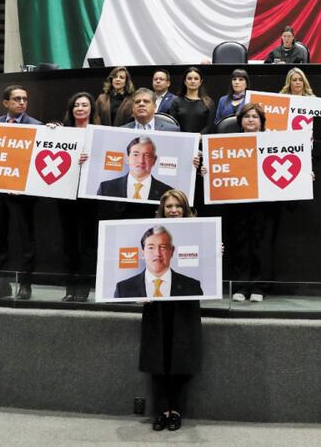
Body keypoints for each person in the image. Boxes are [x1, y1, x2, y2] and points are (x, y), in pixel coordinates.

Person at [130, 192, 206, 432]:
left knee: (181, 358)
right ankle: (162, 411)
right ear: (162, 210)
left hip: (185, 306)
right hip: (157, 305)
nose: (174, 210)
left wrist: (216, 253)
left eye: (178, 206)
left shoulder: (201, 232)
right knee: (158, 358)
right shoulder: (151, 233)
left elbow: (206, 268)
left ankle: (176, 411)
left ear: (185, 209)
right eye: (169, 206)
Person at [0, 85, 42, 300]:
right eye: (17, 99)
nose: (22, 102)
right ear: (6, 103)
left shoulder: (36, 126)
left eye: (24, 99)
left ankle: (25, 285)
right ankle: (1, 285)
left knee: (25, 241)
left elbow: (37, 162)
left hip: (21, 194)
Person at [211, 103, 278, 302]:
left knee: (261, 246)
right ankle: (240, 286)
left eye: (255, 117)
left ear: (262, 122)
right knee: (240, 245)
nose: (250, 120)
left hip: (264, 204)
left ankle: (259, 287)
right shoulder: (229, 143)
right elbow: (219, 167)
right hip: (237, 201)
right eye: (247, 116)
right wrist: (208, 170)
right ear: (240, 121)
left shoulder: (272, 142)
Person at [56, 91, 99, 302]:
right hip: (66, 194)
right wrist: (51, 131)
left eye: (84, 105)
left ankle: (83, 287)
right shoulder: (62, 132)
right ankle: (70, 287)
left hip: (90, 195)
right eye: (76, 105)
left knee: (88, 243)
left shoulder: (100, 133)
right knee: (69, 242)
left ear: (91, 109)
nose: (80, 108)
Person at [113, 225, 204, 299]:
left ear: (172, 251)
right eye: (151, 248)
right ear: (143, 253)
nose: (157, 253)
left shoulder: (192, 287)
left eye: (163, 247)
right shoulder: (123, 289)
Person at [98, 136, 174, 201]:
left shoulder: (168, 192)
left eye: (146, 156)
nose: (141, 161)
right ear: (127, 159)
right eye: (136, 154)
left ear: (154, 160)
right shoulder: (105, 188)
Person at [169, 67, 215, 134]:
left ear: (200, 82)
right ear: (185, 81)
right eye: (189, 78)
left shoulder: (209, 103)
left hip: (201, 139)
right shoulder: (176, 102)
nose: (193, 81)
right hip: (181, 138)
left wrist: (199, 136)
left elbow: (209, 126)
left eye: (196, 79)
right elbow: (173, 125)